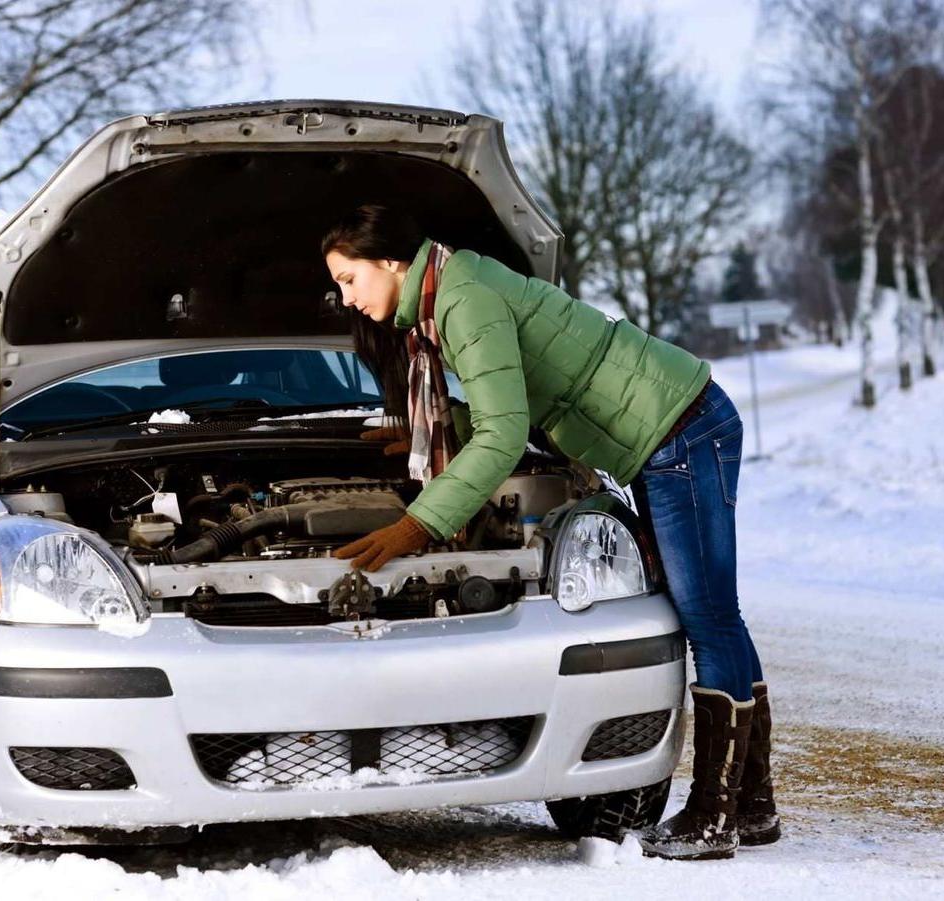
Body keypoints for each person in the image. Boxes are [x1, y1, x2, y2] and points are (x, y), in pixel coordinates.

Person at [322, 204, 779, 860]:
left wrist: (421, 522)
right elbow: (511, 391)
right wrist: (429, 424)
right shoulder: (456, 285)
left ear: (390, 262)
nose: (346, 296)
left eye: (348, 278)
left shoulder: (463, 300)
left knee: (709, 618)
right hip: (670, 430)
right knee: (718, 616)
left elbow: (504, 433)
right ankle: (752, 806)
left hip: (680, 428)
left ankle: (713, 813)